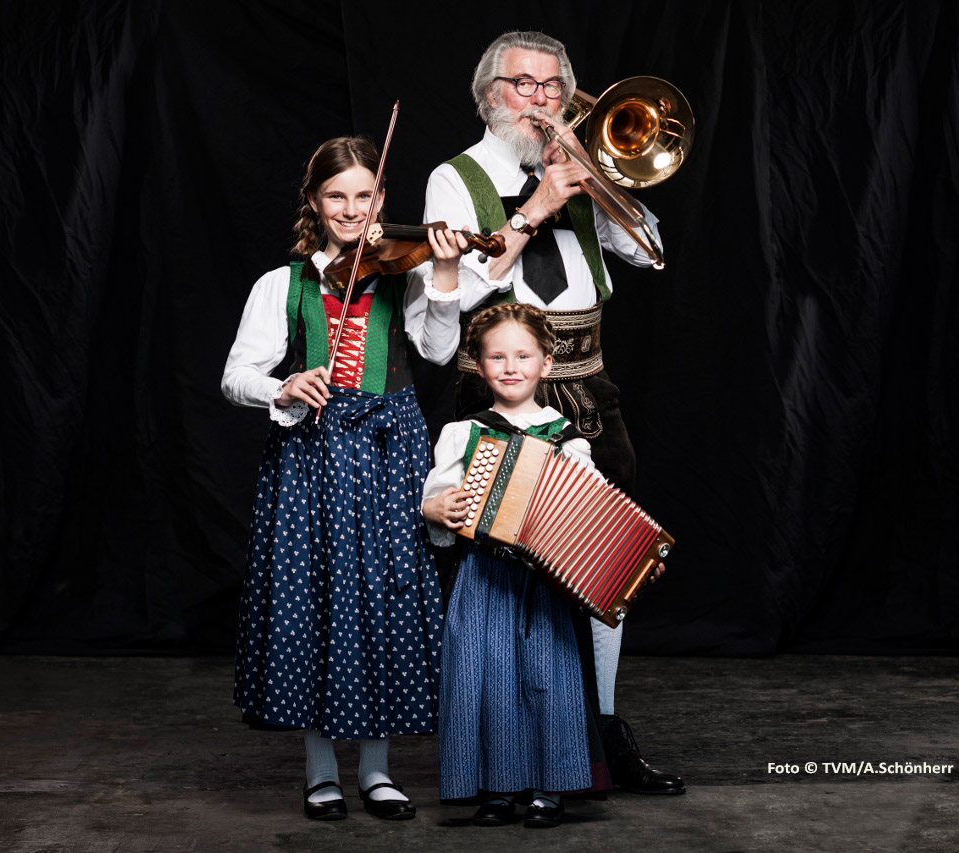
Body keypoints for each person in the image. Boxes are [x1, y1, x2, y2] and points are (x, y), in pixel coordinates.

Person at [407, 29, 684, 796]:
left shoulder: (576, 164)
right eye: (524, 86)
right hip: (499, 397)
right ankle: (504, 747)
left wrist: (596, 182)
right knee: (503, 584)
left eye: (553, 87)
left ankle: (598, 733)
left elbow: (648, 253)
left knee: (605, 571)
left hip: (591, 393)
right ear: (488, 95)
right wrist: (538, 205)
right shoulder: (455, 179)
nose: (541, 101)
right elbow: (450, 302)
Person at [222, 136, 473, 821]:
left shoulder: (408, 272)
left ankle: (378, 770)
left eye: (364, 195)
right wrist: (284, 383)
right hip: (312, 456)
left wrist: (446, 274)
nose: (351, 208)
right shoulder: (285, 282)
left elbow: (439, 350)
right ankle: (320, 768)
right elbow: (235, 373)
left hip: (391, 455)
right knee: (317, 600)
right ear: (314, 201)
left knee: (383, 600)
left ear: (383, 201)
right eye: (336, 195)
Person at [422, 302, 608, 829]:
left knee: (550, 680)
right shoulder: (464, 433)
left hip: (545, 586)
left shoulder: (569, 440)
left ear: (546, 363)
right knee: (486, 681)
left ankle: (551, 788)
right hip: (482, 579)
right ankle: (497, 789)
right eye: (497, 356)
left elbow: (596, 514)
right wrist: (436, 508)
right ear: (480, 367)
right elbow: (438, 502)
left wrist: (629, 557)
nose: (510, 366)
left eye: (523, 355)